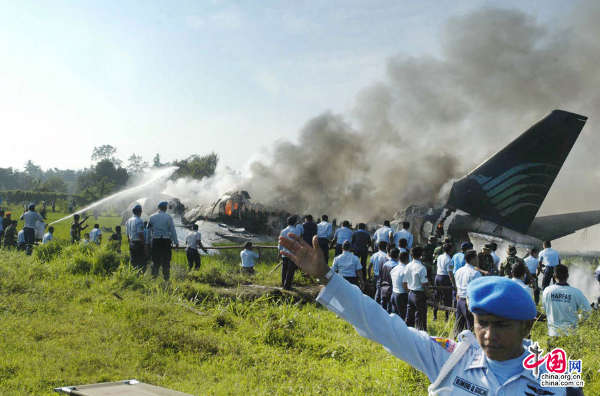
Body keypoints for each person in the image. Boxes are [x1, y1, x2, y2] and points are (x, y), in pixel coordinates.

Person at [278, 234, 567, 395]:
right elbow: (383, 325)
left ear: (527, 327)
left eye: (502, 325)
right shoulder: (451, 358)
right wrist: (328, 277)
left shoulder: (560, 376)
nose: (488, 335)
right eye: (482, 323)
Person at [542, 264, 591, 337]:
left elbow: (546, 310)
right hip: (571, 335)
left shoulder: (547, 291)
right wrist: (580, 320)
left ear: (554, 276)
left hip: (553, 334)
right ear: (567, 276)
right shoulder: (576, 292)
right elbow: (588, 311)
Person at [147, 201, 179, 281]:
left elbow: (148, 230)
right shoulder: (168, 217)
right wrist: (176, 242)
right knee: (166, 260)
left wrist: (148, 242)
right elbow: (172, 230)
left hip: (156, 241)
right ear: (165, 208)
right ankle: (166, 279)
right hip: (166, 241)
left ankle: (153, 278)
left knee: (155, 260)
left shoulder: (152, 217)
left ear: (159, 208)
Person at [453, 250, 482, 333]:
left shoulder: (458, 271)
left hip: (459, 300)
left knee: (459, 325)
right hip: (468, 301)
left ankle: (456, 342)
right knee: (471, 327)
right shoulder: (475, 273)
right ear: (472, 259)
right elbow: (477, 290)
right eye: (476, 258)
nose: (477, 260)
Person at [403, 246, 429, 331]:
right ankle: (421, 336)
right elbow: (424, 284)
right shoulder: (422, 267)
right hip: (419, 294)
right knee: (421, 318)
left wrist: (408, 291)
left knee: (410, 317)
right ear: (421, 255)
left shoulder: (408, 266)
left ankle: (407, 334)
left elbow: (405, 282)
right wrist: (429, 295)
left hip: (410, 293)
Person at [434, 243, 454, 321]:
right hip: (445, 278)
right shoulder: (449, 260)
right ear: (450, 250)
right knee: (447, 297)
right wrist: (453, 283)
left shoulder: (440, 256)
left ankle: (434, 316)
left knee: (437, 296)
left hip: (437, 276)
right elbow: (450, 273)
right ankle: (446, 317)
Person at [279, 216, 299, 290]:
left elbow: (280, 242)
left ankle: (283, 284)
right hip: (292, 253)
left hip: (284, 252)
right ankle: (287, 286)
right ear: (294, 222)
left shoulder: (283, 230)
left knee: (284, 269)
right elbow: (297, 242)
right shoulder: (296, 230)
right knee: (290, 270)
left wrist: (280, 251)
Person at [126, 205, 146, 272]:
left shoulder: (129, 220)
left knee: (133, 260)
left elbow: (127, 234)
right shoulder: (139, 221)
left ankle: (132, 274)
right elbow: (140, 233)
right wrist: (144, 243)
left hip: (132, 243)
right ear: (139, 212)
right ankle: (140, 276)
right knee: (141, 261)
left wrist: (130, 242)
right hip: (138, 243)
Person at [390, 251, 409, 319]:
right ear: (407, 259)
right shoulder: (405, 269)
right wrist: (409, 292)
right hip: (402, 295)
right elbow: (404, 285)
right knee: (403, 316)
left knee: (394, 316)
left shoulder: (394, 268)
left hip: (394, 293)